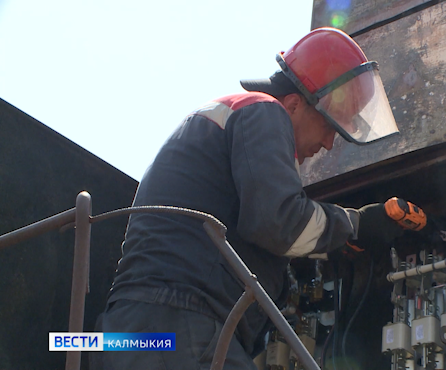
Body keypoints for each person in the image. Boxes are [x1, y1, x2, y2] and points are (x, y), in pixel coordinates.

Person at [93, 27, 404, 370]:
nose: (330, 143)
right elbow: (279, 222)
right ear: (295, 104)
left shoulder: (230, 116)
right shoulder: (264, 110)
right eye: (329, 127)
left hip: (131, 332)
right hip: (179, 324)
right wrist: (356, 225)